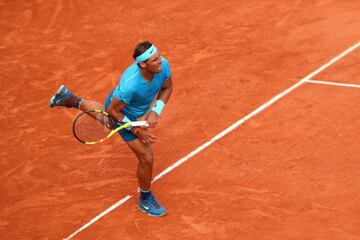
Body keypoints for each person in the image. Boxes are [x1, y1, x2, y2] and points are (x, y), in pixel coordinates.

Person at [49, 41, 173, 217]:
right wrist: (136, 129)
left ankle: (69, 99)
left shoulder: (163, 66)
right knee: (146, 157)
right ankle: (145, 200)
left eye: (159, 57)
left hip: (128, 108)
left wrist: (156, 110)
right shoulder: (130, 86)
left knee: (108, 122)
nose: (161, 61)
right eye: (155, 60)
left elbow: (168, 87)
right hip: (120, 111)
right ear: (143, 64)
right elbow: (113, 111)